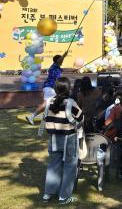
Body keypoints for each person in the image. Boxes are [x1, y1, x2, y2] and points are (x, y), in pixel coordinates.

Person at [41, 77, 83, 205]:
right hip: (69, 139)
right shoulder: (71, 103)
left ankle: (48, 194)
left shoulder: (49, 101)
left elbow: (45, 117)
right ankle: (64, 197)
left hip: (53, 139)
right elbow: (81, 118)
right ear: (69, 89)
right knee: (70, 167)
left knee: (53, 166)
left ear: (55, 89)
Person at [27, 53, 67, 125]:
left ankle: (48, 117)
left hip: (51, 88)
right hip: (50, 88)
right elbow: (59, 61)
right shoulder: (55, 66)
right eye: (61, 59)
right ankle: (32, 117)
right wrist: (64, 55)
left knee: (54, 103)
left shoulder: (57, 68)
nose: (62, 61)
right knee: (46, 104)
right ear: (57, 60)